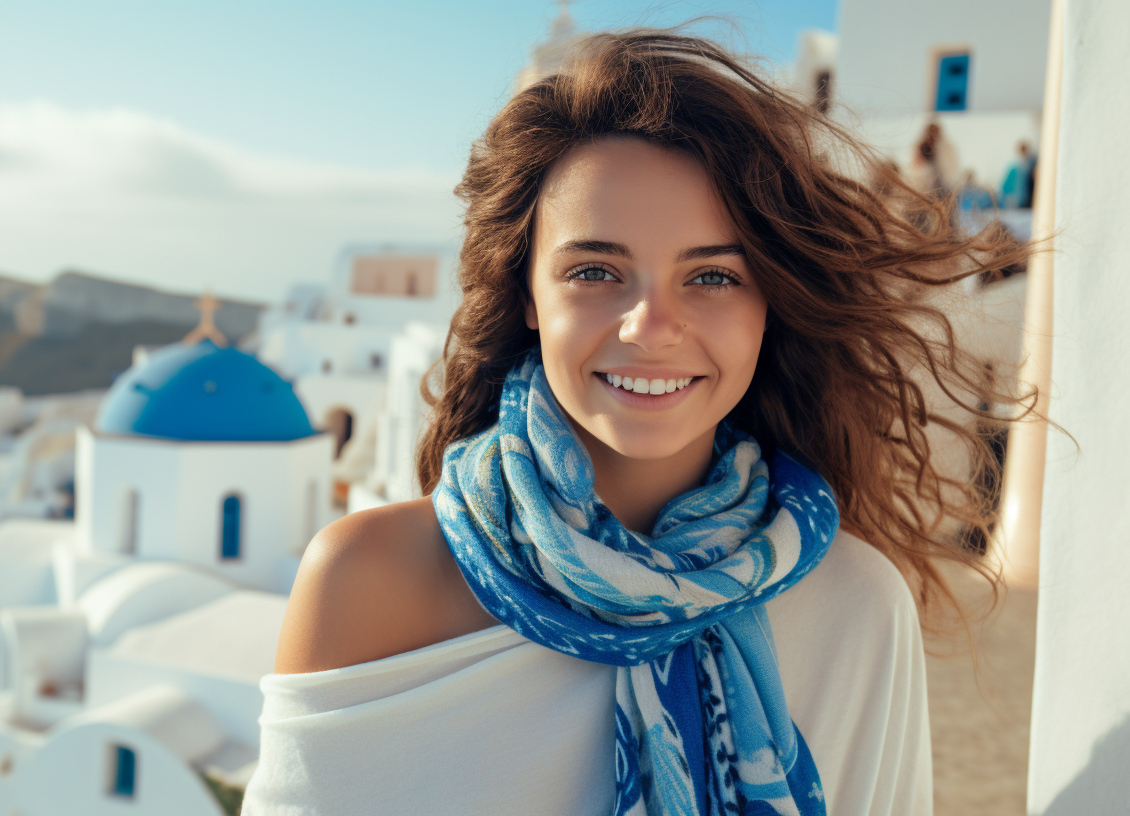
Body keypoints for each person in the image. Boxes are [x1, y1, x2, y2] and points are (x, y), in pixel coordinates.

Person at [244, 30, 1029, 816]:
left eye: (714, 276)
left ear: (769, 304)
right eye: (595, 271)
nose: (651, 326)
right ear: (526, 293)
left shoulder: (857, 609)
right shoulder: (370, 582)